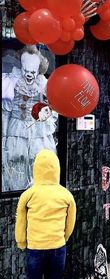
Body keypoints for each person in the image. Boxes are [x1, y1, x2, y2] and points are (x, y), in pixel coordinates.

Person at [15, 149, 76, 279]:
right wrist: (65, 237)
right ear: (57, 169)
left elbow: (21, 220)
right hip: (58, 247)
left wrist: (21, 241)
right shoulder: (66, 195)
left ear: (36, 169)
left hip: (35, 247)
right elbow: (71, 221)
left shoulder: (27, 195)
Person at [2, 45, 57, 191]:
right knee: (16, 160)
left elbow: (53, 107)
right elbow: (6, 111)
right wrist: (4, 136)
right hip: (16, 129)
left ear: (39, 70)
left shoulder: (44, 84)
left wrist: (47, 114)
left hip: (37, 130)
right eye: (26, 70)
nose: (29, 75)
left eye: (32, 71)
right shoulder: (13, 82)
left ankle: (38, 193)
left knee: (37, 161)